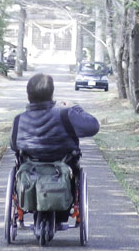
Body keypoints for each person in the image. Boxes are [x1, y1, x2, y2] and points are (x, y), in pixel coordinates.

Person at [11, 73, 99, 224]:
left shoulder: (20, 119)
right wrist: (75, 107)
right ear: (52, 94)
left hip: (30, 170)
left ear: (28, 96)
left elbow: (14, 145)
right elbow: (93, 126)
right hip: (64, 168)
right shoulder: (66, 114)